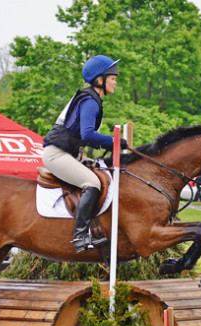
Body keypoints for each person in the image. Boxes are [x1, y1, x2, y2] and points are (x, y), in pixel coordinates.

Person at [42, 54, 127, 253]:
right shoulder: (90, 100)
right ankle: (80, 237)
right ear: (100, 80)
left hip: (66, 153)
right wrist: (116, 142)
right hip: (56, 155)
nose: (116, 81)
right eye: (113, 77)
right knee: (93, 183)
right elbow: (87, 134)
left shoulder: (90, 97)